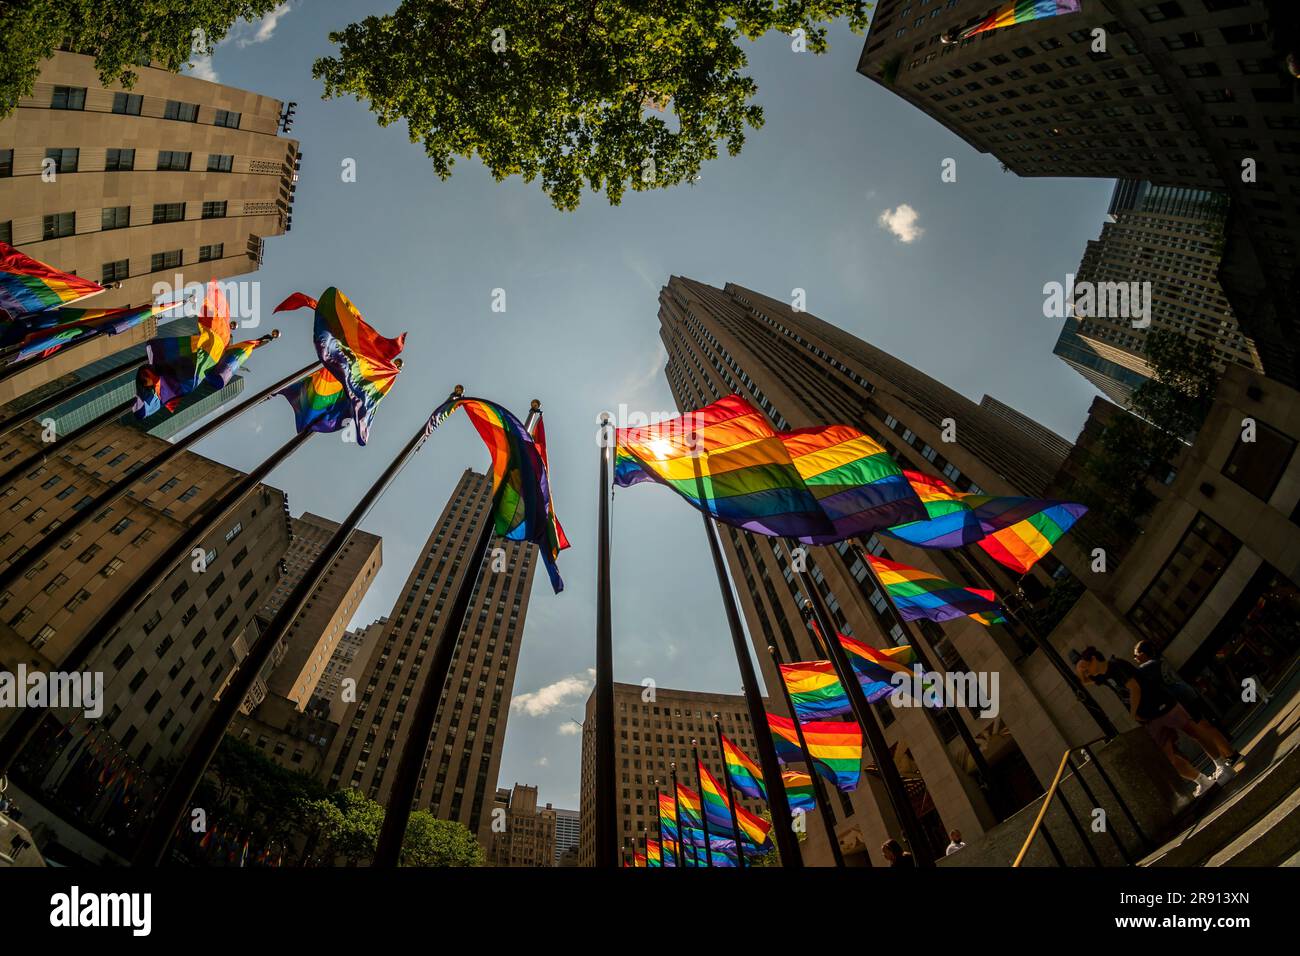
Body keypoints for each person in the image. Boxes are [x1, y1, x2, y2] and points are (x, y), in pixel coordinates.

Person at [1076, 646, 1220, 797]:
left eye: (1087, 667)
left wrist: (1133, 714)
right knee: (1166, 759)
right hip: (1149, 718)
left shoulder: (1116, 665)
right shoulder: (1103, 675)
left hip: (1161, 703)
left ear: (1094, 659)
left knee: (1193, 731)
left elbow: (1134, 688)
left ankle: (1222, 765)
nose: (1087, 672)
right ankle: (1203, 781)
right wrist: (1080, 670)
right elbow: (1085, 682)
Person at [1133, 640, 1242, 779]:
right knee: (1203, 726)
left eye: (1136, 655)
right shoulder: (1157, 662)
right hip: (1186, 695)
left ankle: (1231, 754)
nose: (1135, 659)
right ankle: (1230, 754)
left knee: (1203, 727)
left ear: (1143, 654)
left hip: (1182, 699)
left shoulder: (1147, 667)